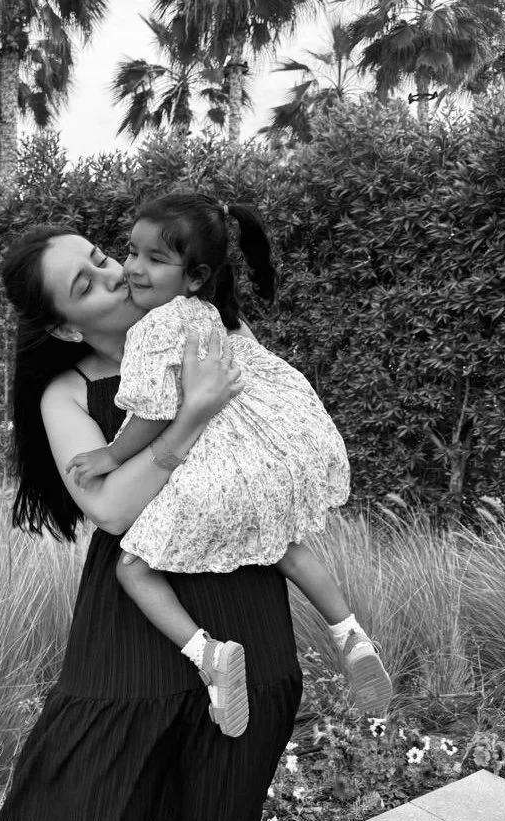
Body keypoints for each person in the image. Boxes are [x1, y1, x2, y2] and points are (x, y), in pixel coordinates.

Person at [0, 223, 303, 821]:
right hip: (128, 634)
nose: (113, 274)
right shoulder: (67, 394)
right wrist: (189, 418)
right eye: (86, 282)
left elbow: (278, 439)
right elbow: (111, 508)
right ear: (67, 324)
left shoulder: (207, 336)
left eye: (102, 258)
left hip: (245, 605)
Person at [65, 192, 392, 735]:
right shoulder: (215, 316)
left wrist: (111, 454)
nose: (133, 268)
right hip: (260, 466)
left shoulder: (151, 330)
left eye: (154, 259)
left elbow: (152, 414)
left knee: (134, 567)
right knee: (286, 547)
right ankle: (349, 633)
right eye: (131, 251)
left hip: (205, 473)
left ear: (194, 276)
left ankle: (208, 655)